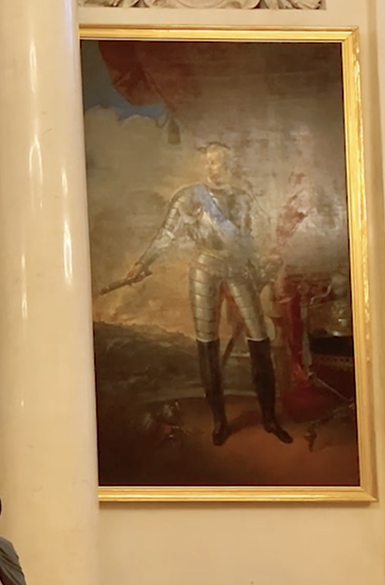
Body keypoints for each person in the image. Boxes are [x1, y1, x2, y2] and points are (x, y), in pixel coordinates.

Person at [105, 142, 291, 445]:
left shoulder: (243, 198)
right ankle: (220, 421)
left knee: (260, 339)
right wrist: (143, 263)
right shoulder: (189, 197)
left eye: (217, 162)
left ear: (228, 164)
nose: (211, 167)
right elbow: (166, 236)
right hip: (204, 269)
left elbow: (255, 237)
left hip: (239, 269)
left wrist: (267, 260)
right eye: (208, 161)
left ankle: (269, 418)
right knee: (207, 345)